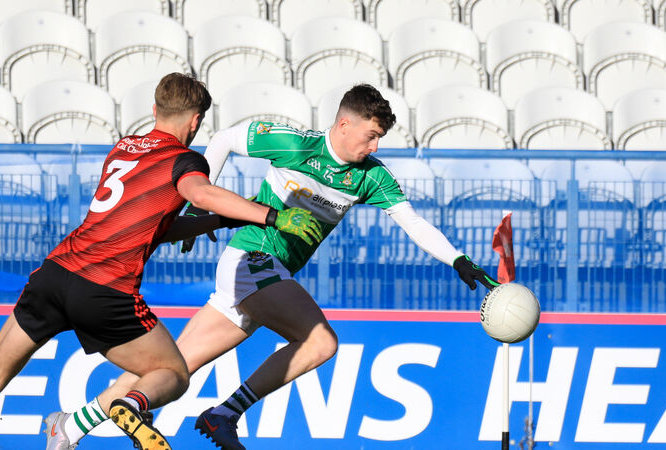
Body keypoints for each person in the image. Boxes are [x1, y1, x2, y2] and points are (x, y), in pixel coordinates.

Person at [55, 84, 499, 450]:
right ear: (344, 124)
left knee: (173, 369)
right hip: (252, 258)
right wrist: (196, 204)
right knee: (321, 342)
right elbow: (227, 138)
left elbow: (413, 222)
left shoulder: (372, 177)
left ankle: (72, 426)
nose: (375, 145)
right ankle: (224, 414)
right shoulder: (293, 144)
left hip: (264, 278)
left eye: (379, 137)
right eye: (370, 134)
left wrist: (457, 258)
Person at [0, 73, 322, 450]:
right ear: (196, 121)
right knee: (173, 374)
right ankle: (130, 405)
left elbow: (150, 228)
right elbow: (200, 193)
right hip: (103, 289)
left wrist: (213, 222)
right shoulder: (185, 161)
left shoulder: (124, 148)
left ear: (154, 110)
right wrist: (272, 215)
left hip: (55, 272)